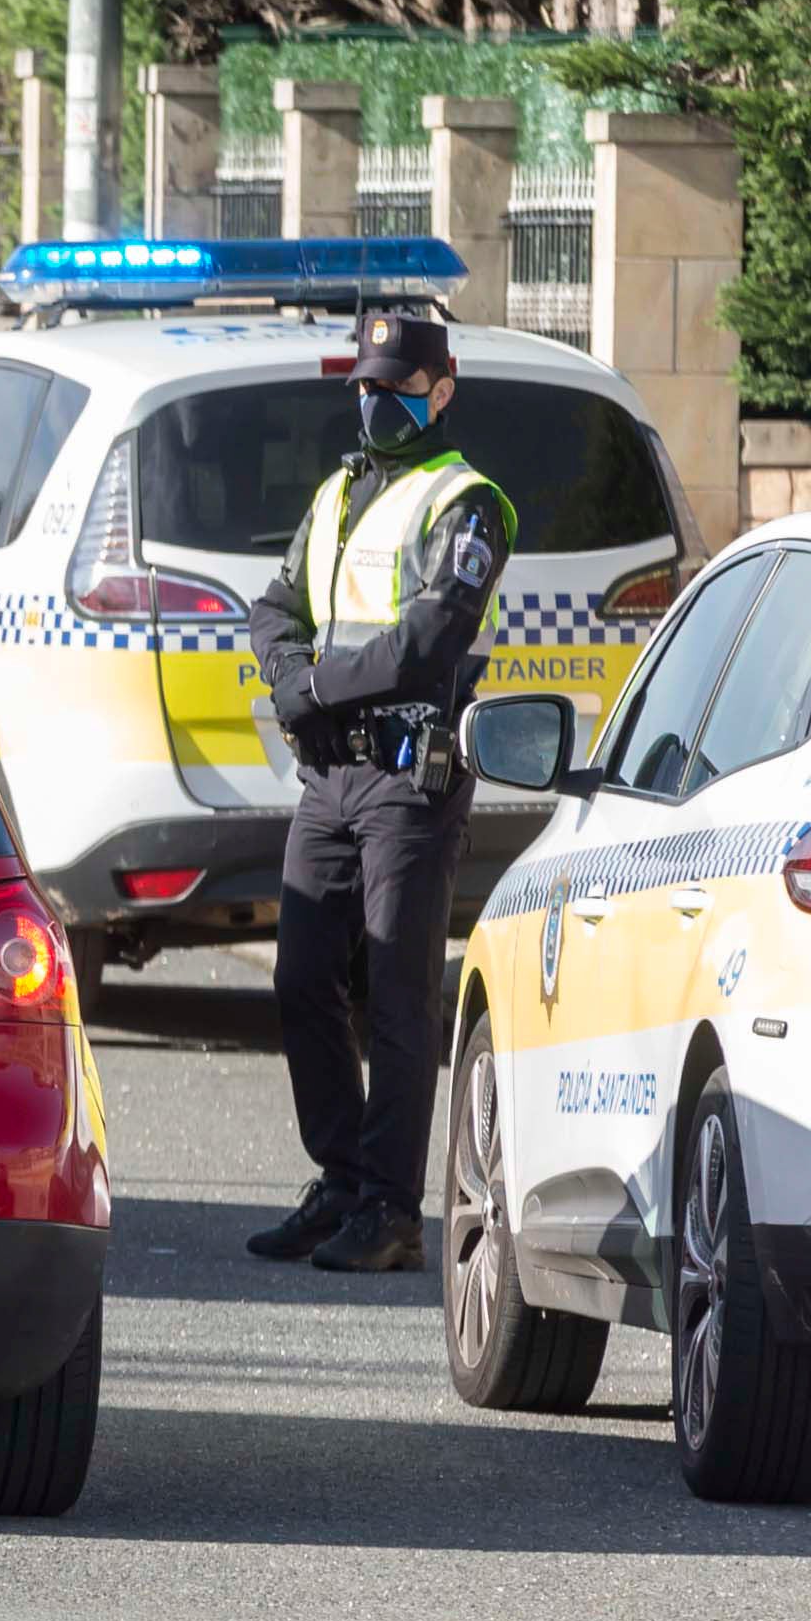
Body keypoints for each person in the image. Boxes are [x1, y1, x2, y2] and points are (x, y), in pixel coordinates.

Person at [245, 306, 516, 1278]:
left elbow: (432, 637)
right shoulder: (337, 492)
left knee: (399, 994)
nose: (375, 400)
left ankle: (392, 1208)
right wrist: (287, 681)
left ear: (439, 390)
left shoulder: (467, 502)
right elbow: (273, 605)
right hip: (327, 772)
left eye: (395, 386)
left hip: (407, 773)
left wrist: (314, 687)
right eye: (364, 385)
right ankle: (342, 1174)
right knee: (298, 977)